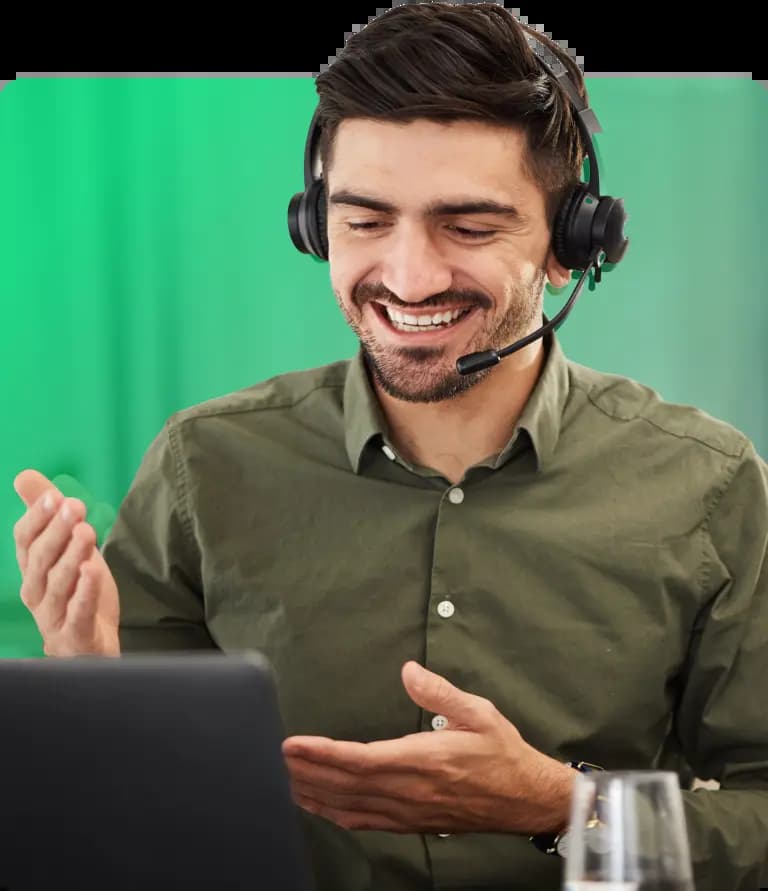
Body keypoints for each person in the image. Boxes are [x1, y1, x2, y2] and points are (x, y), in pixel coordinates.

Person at [11, 3, 768, 890]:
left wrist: (559, 805)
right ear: (312, 221)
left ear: (572, 244)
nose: (409, 277)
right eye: (365, 221)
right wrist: (91, 696)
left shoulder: (709, 486)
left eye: (470, 227)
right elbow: (132, 840)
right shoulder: (202, 470)